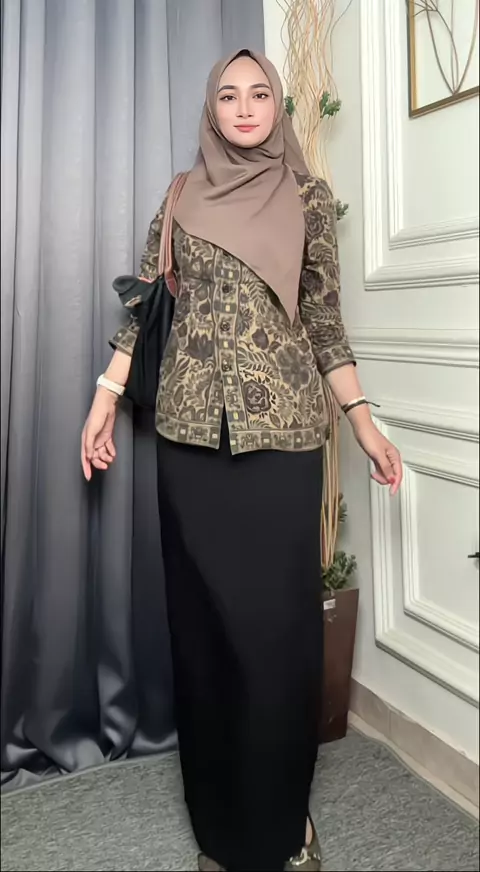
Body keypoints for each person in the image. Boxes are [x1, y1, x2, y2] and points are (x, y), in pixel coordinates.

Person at [81, 49, 402, 872]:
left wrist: (364, 423)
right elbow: (143, 310)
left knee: (277, 638)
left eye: (260, 93)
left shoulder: (307, 198)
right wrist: (106, 398)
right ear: (213, 109)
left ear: (277, 106)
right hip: (189, 442)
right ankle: (221, 826)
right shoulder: (179, 197)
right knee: (206, 636)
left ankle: (285, 819)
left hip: (284, 442)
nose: (246, 107)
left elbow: (324, 321)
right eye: (229, 95)